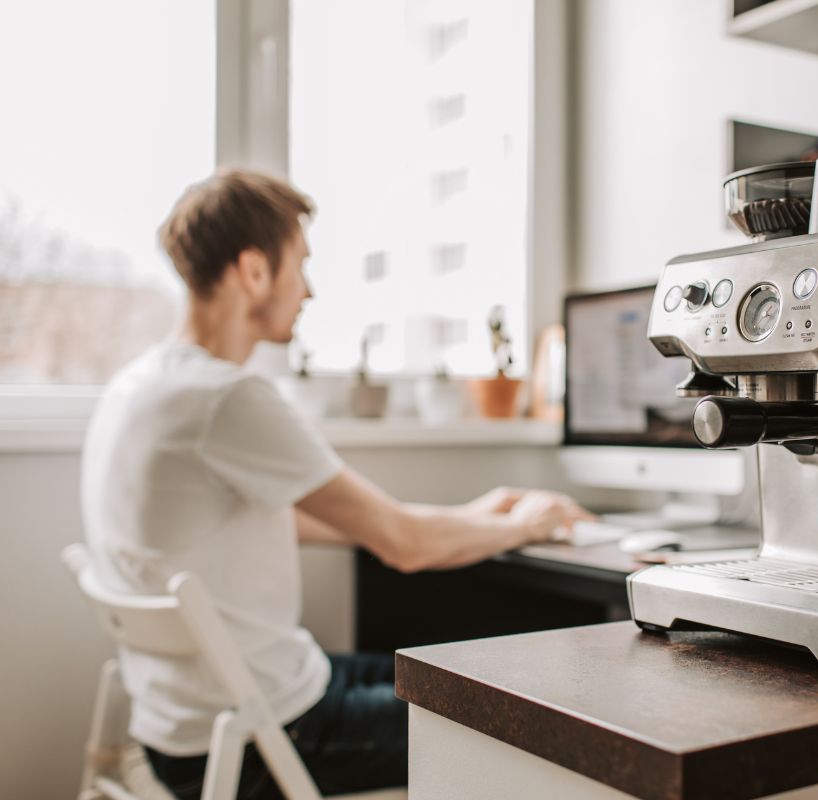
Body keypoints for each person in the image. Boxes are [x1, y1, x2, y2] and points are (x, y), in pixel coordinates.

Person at [80, 169, 590, 799]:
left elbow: (308, 520)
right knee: (520, 721)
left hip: (186, 727)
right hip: (262, 739)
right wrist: (526, 525)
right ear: (254, 271)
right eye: (301, 264)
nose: (310, 290)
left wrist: (474, 513)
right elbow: (404, 544)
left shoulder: (142, 387)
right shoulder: (226, 398)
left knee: (449, 675)